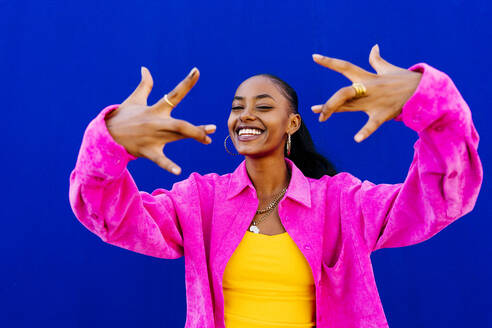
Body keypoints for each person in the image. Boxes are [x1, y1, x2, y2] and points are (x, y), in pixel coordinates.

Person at [68, 45, 483, 328]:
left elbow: (445, 197)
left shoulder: (342, 203)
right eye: (237, 107)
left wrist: (429, 103)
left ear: (292, 124)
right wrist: (109, 142)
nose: (246, 115)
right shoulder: (199, 202)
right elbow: (111, 216)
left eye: (264, 107)